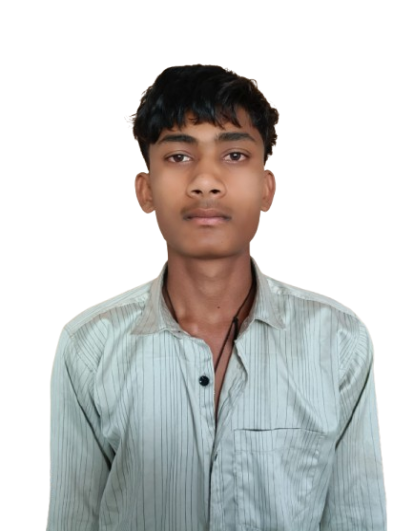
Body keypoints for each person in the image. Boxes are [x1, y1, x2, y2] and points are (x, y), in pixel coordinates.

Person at [46, 65, 386, 531]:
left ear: (266, 188)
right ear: (146, 191)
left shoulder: (338, 342)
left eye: (234, 154)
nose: (206, 181)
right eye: (179, 156)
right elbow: (73, 519)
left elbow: (356, 519)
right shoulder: (89, 348)